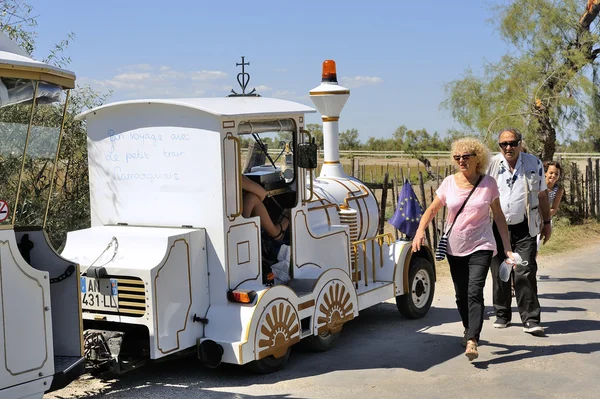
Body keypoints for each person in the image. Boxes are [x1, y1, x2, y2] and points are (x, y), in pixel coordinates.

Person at [412, 137, 514, 361]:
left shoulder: (488, 183)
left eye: (466, 157)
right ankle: (469, 330)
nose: (461, 161)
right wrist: (419, 231)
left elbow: (497, 216)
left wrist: (506, 247)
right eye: (457, 157)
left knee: (474, 291)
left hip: (482, 244)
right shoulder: (449, 182)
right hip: (455, 246)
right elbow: (431, 210)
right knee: (461, 295)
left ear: (477, 159)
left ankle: (472, 340)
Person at [487, 128, 552, 336]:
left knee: (525, 270)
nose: (509, 147)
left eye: (513, 143)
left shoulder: (534, 163)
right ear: (499, 146)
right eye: (504, 144)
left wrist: (547, 222)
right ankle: (502, 314)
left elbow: (542, 195)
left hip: (526, 226)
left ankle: (531, 319)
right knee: (500, 272)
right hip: (497, 227)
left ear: (520, 143)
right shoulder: (491, 164)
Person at [242, 175, 289, 240]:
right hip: (236, 225)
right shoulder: (232, 176)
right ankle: (275, 232)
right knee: (252, 198)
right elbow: (262, 193)